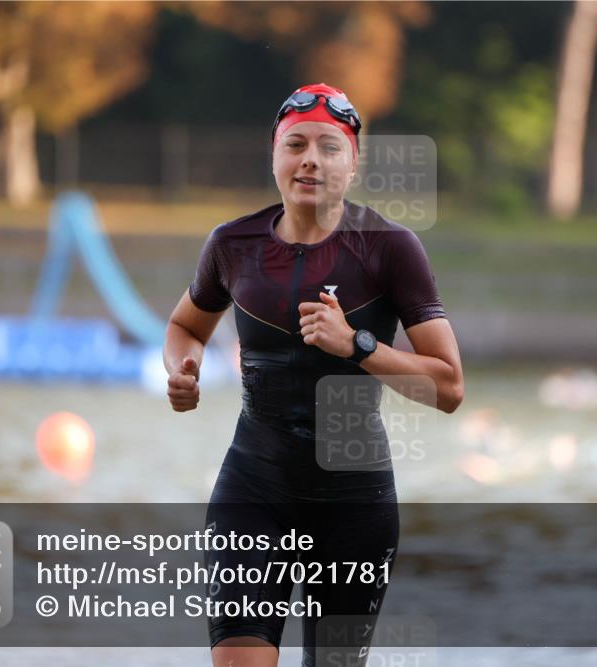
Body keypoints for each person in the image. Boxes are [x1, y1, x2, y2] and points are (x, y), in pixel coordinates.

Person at [164, 83, 464, 667]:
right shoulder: (232, 245)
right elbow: (185, 327)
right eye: (295, 144)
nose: (310, 160)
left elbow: (448, 386)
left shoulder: (389, 248)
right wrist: (182, 370)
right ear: (273, 155)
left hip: (353, 501)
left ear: (353, 163)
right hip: (253, 488)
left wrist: (358, 346)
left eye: (330, 147)